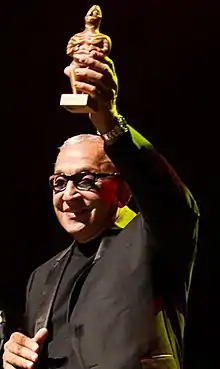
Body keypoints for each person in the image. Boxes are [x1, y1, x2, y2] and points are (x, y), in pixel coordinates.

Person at [2, 50, 199, 369]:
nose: (68, 195)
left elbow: (168, 198)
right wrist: (14, 356)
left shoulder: (154, 240)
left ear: (122, 189)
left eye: (85, 180)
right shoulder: (42, 277)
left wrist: (110, 122)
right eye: (59, 182)